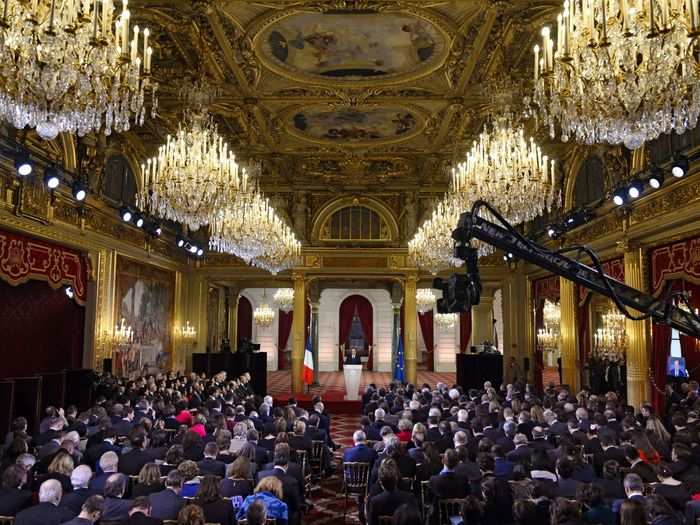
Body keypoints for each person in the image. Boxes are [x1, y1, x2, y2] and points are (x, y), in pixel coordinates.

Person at [367, 459, 415, 525]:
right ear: (396, 478)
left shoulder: (375, 501)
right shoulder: (409, 497)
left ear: (381, 482)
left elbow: (371, 522)